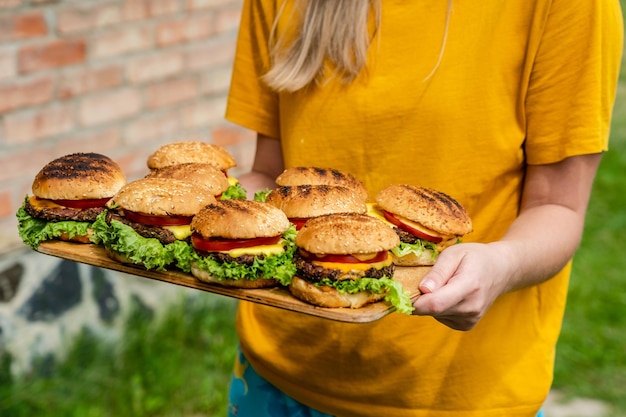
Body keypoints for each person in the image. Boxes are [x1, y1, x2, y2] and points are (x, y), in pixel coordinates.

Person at [224, 0, 623, 416]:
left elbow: (557, 205)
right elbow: (271, 175)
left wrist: (500, 264)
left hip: (454, 391)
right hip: (276, 374)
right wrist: (205, 210)